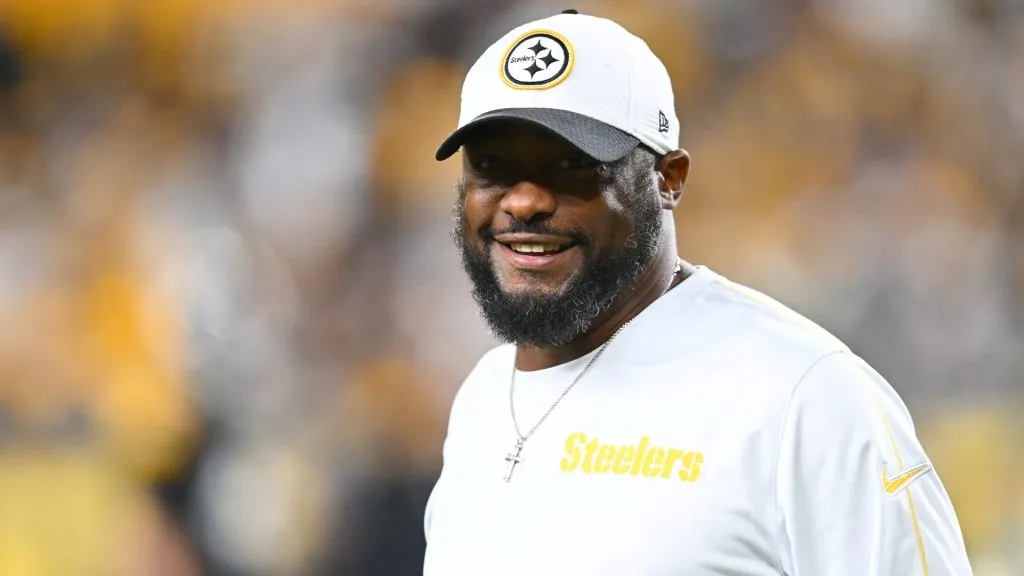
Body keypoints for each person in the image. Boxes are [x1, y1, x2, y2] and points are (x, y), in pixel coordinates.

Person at [423, 9, 973, 576]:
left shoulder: (804, 394)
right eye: (492, 166)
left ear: (669, 178)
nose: (523, 202)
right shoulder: (483, 396)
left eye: (571, 165)